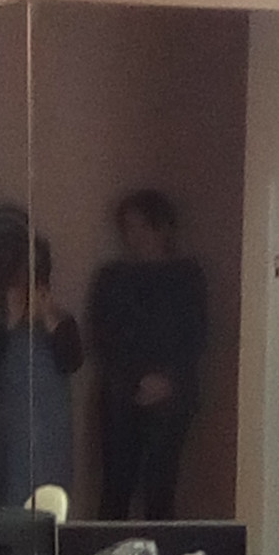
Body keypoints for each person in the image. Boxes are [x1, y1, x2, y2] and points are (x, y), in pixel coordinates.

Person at [88, 188, 207, 519]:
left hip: (173, 391)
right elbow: (103, 335)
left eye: (143, 226)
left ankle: (160, 550)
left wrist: (169, 379)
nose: (135, 236)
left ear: (163, 227)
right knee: (116, 486)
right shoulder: (112, 277)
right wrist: (132, 380)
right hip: (121, 389)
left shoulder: (186, 275)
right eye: (128, 228)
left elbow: (195, 334)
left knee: (160, 486)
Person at [0, 228, 80, 508]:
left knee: (52, 491)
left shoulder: (62, 320)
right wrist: (8, 323)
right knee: (10, 486)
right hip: (11, 423)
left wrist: (50, 321)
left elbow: (72, 362)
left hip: (52, 424)